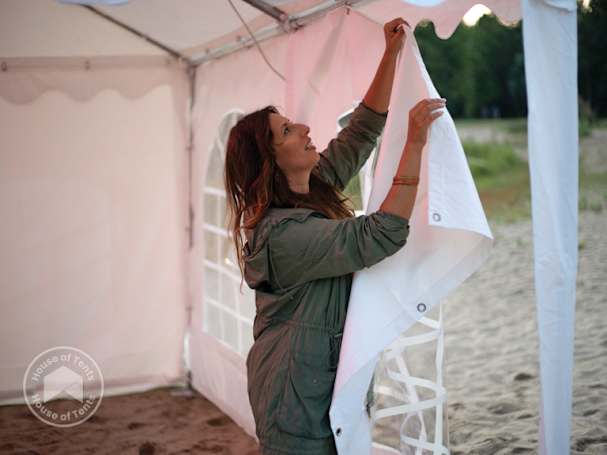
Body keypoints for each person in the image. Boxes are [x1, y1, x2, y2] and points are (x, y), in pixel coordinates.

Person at [224, 17, 446, 455]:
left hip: (314, 385)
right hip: (292, 401)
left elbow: (361, 131)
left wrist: (391, 53)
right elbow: (380, 234)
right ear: (271, 161)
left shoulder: (313, 188)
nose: (305, 129)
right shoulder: (283, 234)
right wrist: (414, 144)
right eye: (287, 131)